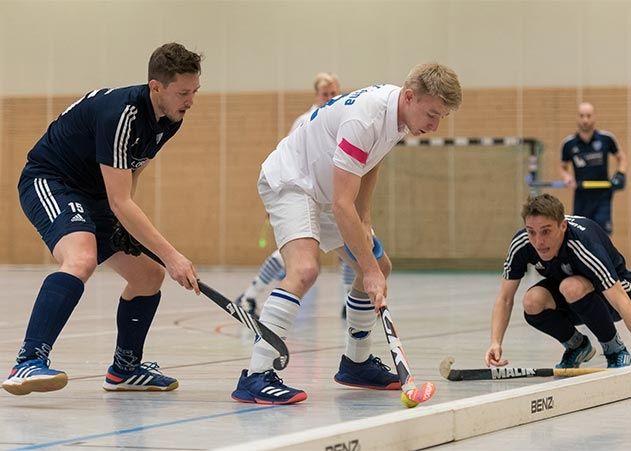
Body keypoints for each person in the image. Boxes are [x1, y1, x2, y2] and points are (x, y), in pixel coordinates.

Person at [231, 63, 462, 404]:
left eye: (441, 117)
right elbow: (341, 205)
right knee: (305, 270)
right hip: (293, 182)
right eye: (431, 114)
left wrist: (365, 218)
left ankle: (356, 363)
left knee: (380, 266)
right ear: (410, 96)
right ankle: (255, 374)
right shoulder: (366, 118)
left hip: (324, 191)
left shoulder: (398, 115)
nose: (434, 125)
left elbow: (371, 163)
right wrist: (365, 268)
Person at [2, 43, 203, 396]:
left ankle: (124, 370)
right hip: (51, 180)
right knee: (81, 257)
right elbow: (120, 199)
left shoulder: (168, 119)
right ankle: (28, 360)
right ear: (156, 87)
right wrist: (173, 255)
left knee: (147, 276)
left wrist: (121, 223)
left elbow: (131, 174)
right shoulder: (122, 113)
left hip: (96, 195)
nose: (190, 101)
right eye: (183, 93)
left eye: (194, 91)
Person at [236, 72, 355, 319]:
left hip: (330, 199)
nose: (331, 97)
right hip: (304, 198)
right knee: (293, 258)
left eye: (335, 93)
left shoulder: (345, 120)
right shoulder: (304, 121)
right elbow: (289, 163)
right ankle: (249, 295)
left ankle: (349, 302)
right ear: (316, 95)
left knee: (353, 246)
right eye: (326, 94)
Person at [485, 193, 631, 371]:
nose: (538, 241)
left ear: (562, 226)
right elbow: (505, 298)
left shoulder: (582, 243)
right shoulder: (522, 243)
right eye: (531, 231)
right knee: (532, 301)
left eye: (546, 231)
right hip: (571, 295)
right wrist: (495, 342)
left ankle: (615, 349)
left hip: (616, 295)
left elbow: (620, 297)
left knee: (571, 287)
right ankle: (577, 346)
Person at [559, 102, 627, 235]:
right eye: (582, 116)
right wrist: (567, 177)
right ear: (577, 117)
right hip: (581, 195)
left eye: (588, 116)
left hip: (603, 195)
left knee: (602, 235)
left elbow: (622, 158)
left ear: (594, 117)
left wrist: (620, 174)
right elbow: (562, 167)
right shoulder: (568, 144)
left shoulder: (606, 139)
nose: (585, 120)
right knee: (579, 234)